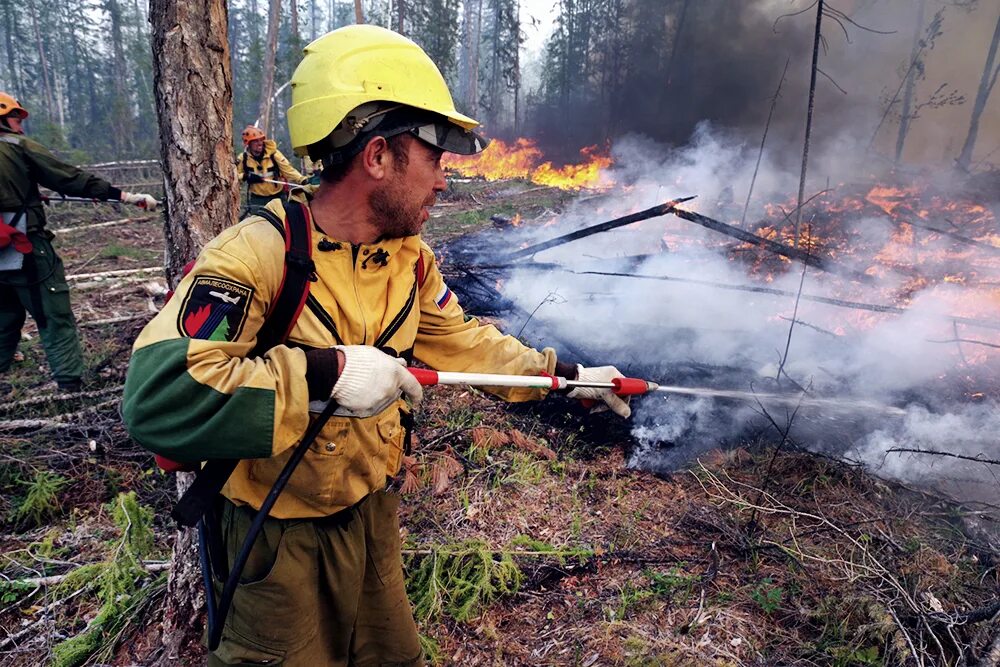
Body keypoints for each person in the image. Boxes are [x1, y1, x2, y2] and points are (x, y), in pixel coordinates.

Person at [122, 25, 629, 666]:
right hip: (274, 539)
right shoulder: (256, 255)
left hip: (373, 519)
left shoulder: (408, 260)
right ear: (379, 156)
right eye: (436, 157)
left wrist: (567, 376)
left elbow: (466, 344)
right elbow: (157, 398)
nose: (444, 181)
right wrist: (324, 374)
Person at [0, 92, 157, 392]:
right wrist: (124, 196)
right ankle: (70, 384)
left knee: (4, 312)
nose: (20, 124)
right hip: (24, 245)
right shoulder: (16, 147)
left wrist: (25, 194)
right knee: (52, 311)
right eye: (16, 118)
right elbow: (69, 178)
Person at [236, 125, 308, 211]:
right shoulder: (243, 158)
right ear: (248, 144)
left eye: (261, 140)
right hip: (257, 199)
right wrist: (245, 176)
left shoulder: (274, 154)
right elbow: (234, 178)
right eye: (255, 141)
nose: (259, 143)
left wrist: (302, 180)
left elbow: (288, 170)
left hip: (277, 197)